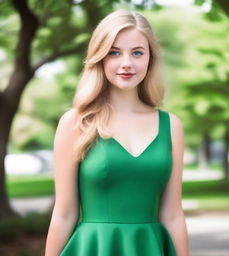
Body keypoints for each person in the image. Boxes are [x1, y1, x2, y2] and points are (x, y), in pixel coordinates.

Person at [45, 8, 189, 256]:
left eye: (137, 53)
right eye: (114, 52)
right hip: (94, 249)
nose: (126, 63)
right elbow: (64, 213)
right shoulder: (75, 123)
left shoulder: (171, 126)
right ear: (99, 57)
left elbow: (173, 214)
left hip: (150, 248)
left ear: (150, 59)